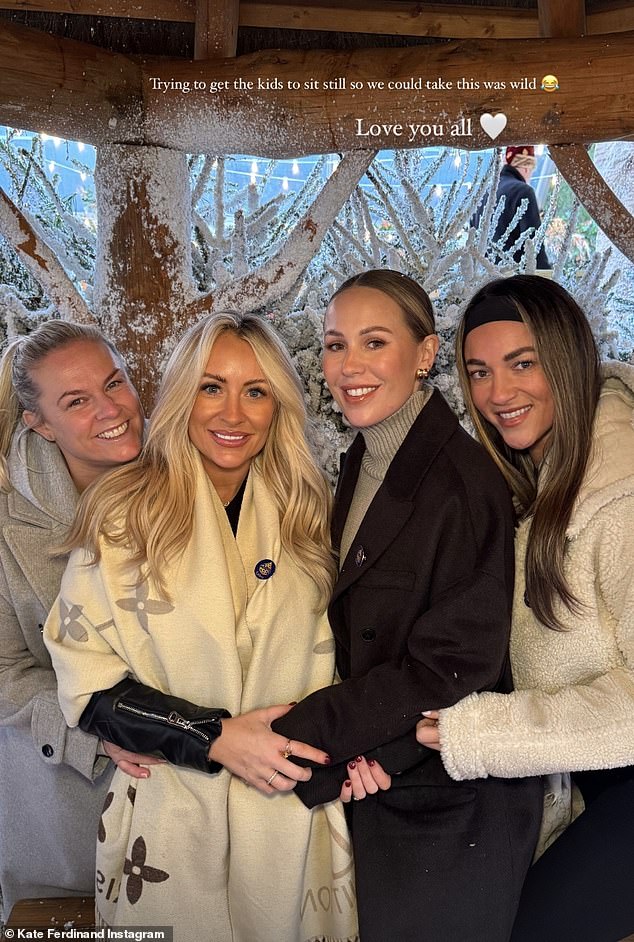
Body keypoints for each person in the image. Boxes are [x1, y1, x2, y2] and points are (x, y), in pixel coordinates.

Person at [44, 312, 360, 942]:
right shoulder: (121, 518)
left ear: (279, 407)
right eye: (212, 387)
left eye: (256, 390)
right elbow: (84, 680)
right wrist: (212, 736)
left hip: (290, 812)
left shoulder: (312, 512)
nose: (233, 414)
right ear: (183, 397)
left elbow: (355, 659)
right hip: (170, 814)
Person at [270, 269, 542, 942]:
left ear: (424, 355)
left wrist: (294, 737)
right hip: (384, 782)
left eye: (373, 343)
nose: (348, 366)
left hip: (452, 811)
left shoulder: (463, 482)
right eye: (335, 345)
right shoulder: (366, 458)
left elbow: (455, 663)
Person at [416, 274, 634, 942]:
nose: (498, 394)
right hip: (591, 789)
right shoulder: (537, 490)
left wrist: (476, 733)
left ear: (565, 360)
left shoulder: (621, 500)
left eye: (522, 364)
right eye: (479, 372)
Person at [0, 321, 145, 914]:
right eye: (77, 401)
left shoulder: (191, 482)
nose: (112, 410)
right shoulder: (8, 520)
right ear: (39, 422)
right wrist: (102, 728)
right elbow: (5, 669)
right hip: (66, 802)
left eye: (116, 384)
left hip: (194, 784)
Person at [487, 145, 550, 270]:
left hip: (485, 282)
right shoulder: (523, 192)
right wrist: (547, 278)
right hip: (513, 282)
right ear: (526, 167)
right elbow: (533, 246)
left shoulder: (485, 193)